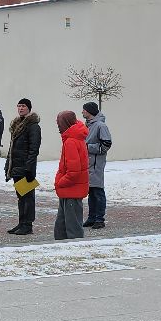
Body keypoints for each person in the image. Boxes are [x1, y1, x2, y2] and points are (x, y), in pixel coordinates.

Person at [5, 98, 40, 235]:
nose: (20, 108)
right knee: (21, 197)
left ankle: (27, 225)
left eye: (23, 106)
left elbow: (34, 149)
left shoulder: (33, 126)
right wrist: (8, 165)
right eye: (19, 106)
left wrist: (29, 168)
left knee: (28, 197)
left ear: (29, 108)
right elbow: (12, 149)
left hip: (26, 168)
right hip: (17, 167)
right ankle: (21, 223)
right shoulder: (17, 125)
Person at [52, 109, 87, 240]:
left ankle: (75, 249)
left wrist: (60, 182)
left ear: (65, 123)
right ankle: (62, 247)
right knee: (62, 225)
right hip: (69, 190)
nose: (58, 127)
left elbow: (74, 171)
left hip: (71, 189)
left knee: (72, 227)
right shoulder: (73, 138)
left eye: (59, 124)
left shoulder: (71, 141)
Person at [83, 101, 111, 228]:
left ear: (89, 111)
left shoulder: (101, 126)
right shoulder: (87, 125)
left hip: (96, 164)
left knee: (98, 191)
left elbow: (106, 144)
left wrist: (88, 147)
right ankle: (91, 217)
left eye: (84, 110)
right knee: (91, 191)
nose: (82, 112)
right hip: (88, 164)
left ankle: (100, 219)